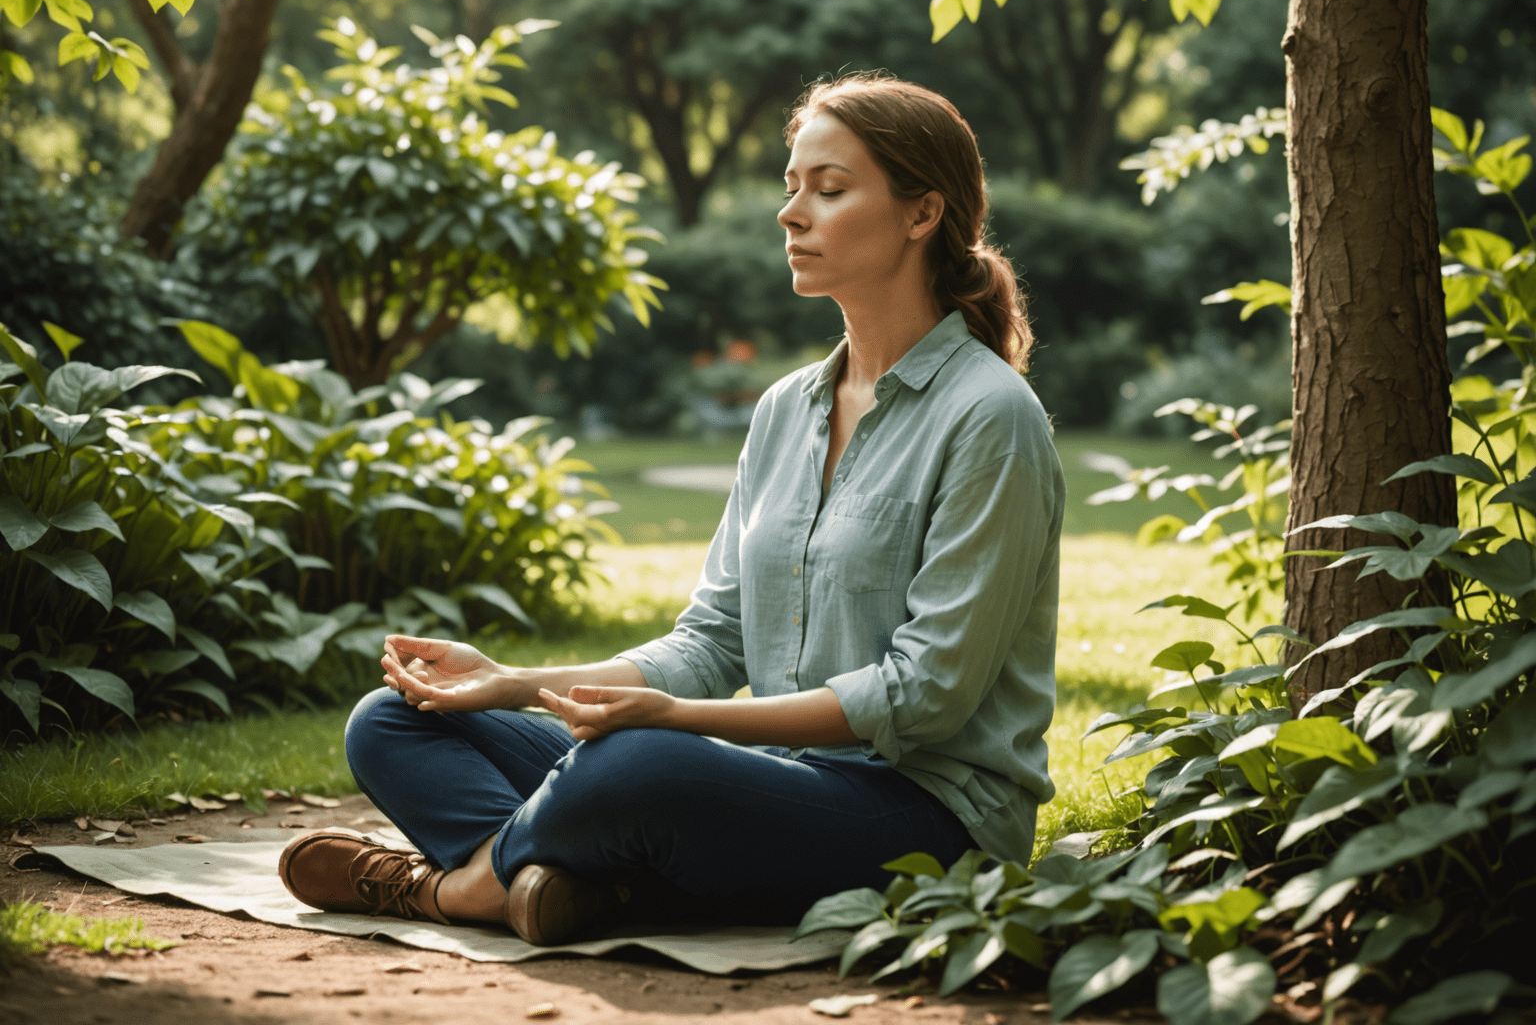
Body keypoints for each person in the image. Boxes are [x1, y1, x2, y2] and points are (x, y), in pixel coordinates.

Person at [278, 74, 1065, 946]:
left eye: (830, 189)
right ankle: (567, 886)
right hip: (765, 781)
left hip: (923, 822)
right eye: (792, 185)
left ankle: (455, 889)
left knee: (640, 765)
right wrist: (513, 684)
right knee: (395, 720)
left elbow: (923, 697)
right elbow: (711, 642)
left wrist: (679, 724)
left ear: (923, 214)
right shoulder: (784, 411)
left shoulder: (991, 417)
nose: (792, 213)